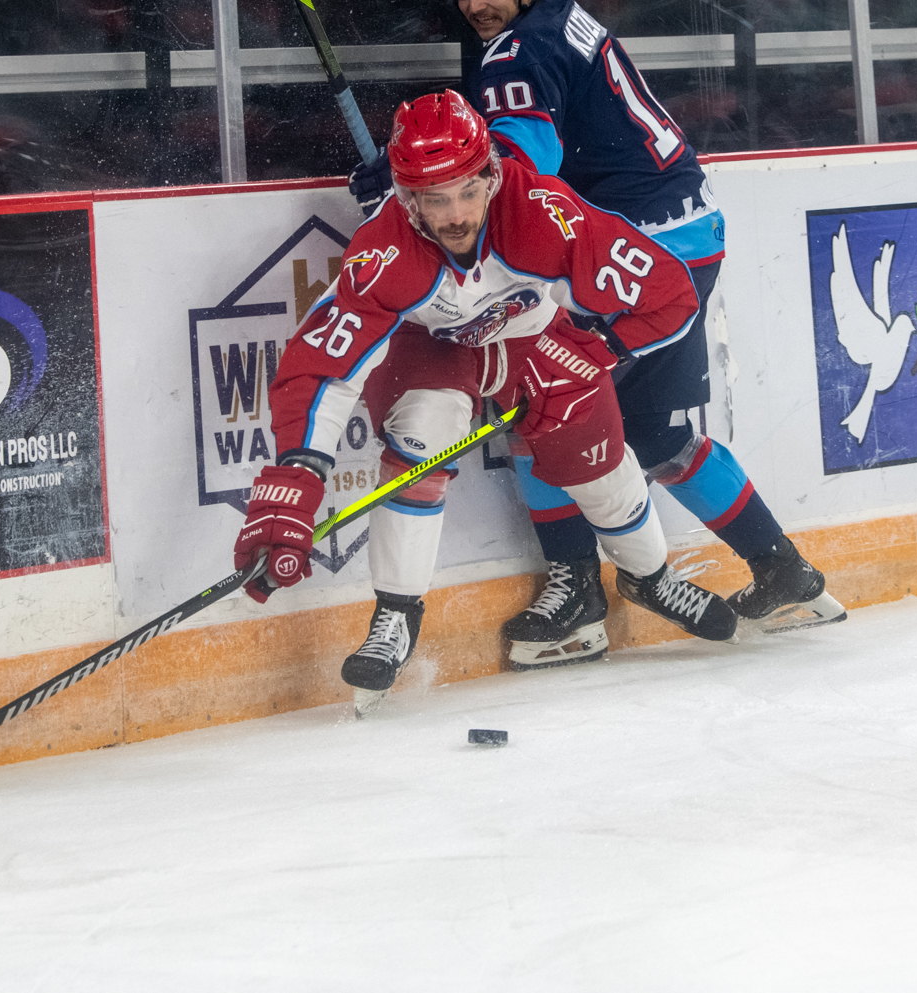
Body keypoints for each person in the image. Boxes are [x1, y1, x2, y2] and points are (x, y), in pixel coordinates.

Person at [353, 0, 845, 669]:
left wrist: (405, 182)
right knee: (656, 432)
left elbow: (522, 159)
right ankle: (785, 573)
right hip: (687, 234)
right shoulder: (558, 21)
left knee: (540, 403)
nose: (475, 2)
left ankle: (578, 596)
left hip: (633, 253)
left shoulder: (515, 52)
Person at [234, 89, 738, 713]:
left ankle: (652, 578)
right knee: (422, 431)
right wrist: (296, 475)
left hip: (538, 341)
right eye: (434, 199)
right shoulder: (384, 251)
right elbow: (322, 369)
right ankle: (396, 615)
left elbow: (670, 293)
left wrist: (602, 345)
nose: (454, 215)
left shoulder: (544, 216)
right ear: (405, 195)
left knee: (601, 467)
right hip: (433, 350)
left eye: (467, 192)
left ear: (491, 174)